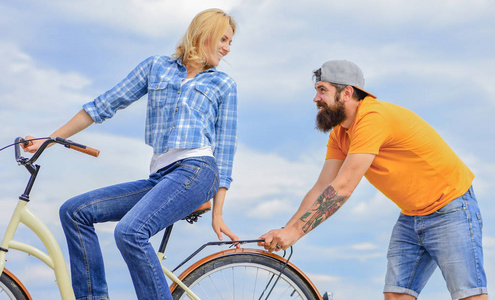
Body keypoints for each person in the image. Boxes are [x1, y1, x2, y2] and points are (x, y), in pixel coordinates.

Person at [23, 8, 239, 300]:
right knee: (75, 212)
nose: (227, 48)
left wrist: (218, 211)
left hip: (198, 170)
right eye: (223, 39)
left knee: (130, 232)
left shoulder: (223, 84)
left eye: (230, 42)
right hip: (162, 177)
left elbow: (225, 149)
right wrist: (50, 138)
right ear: (205, 34)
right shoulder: (156, 67)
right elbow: (104, 104)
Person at [259, 60, 488, 300]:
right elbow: (322, 188)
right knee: (396, 296)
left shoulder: (372, 118)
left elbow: (343, 187)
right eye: (316, 90)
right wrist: (286, 229)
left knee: (469, 296)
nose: (316, 98)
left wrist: (296, 234)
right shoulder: (340, 134)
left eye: (322, 90)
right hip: (412, 216)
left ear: (347, 93)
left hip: (451, 208)